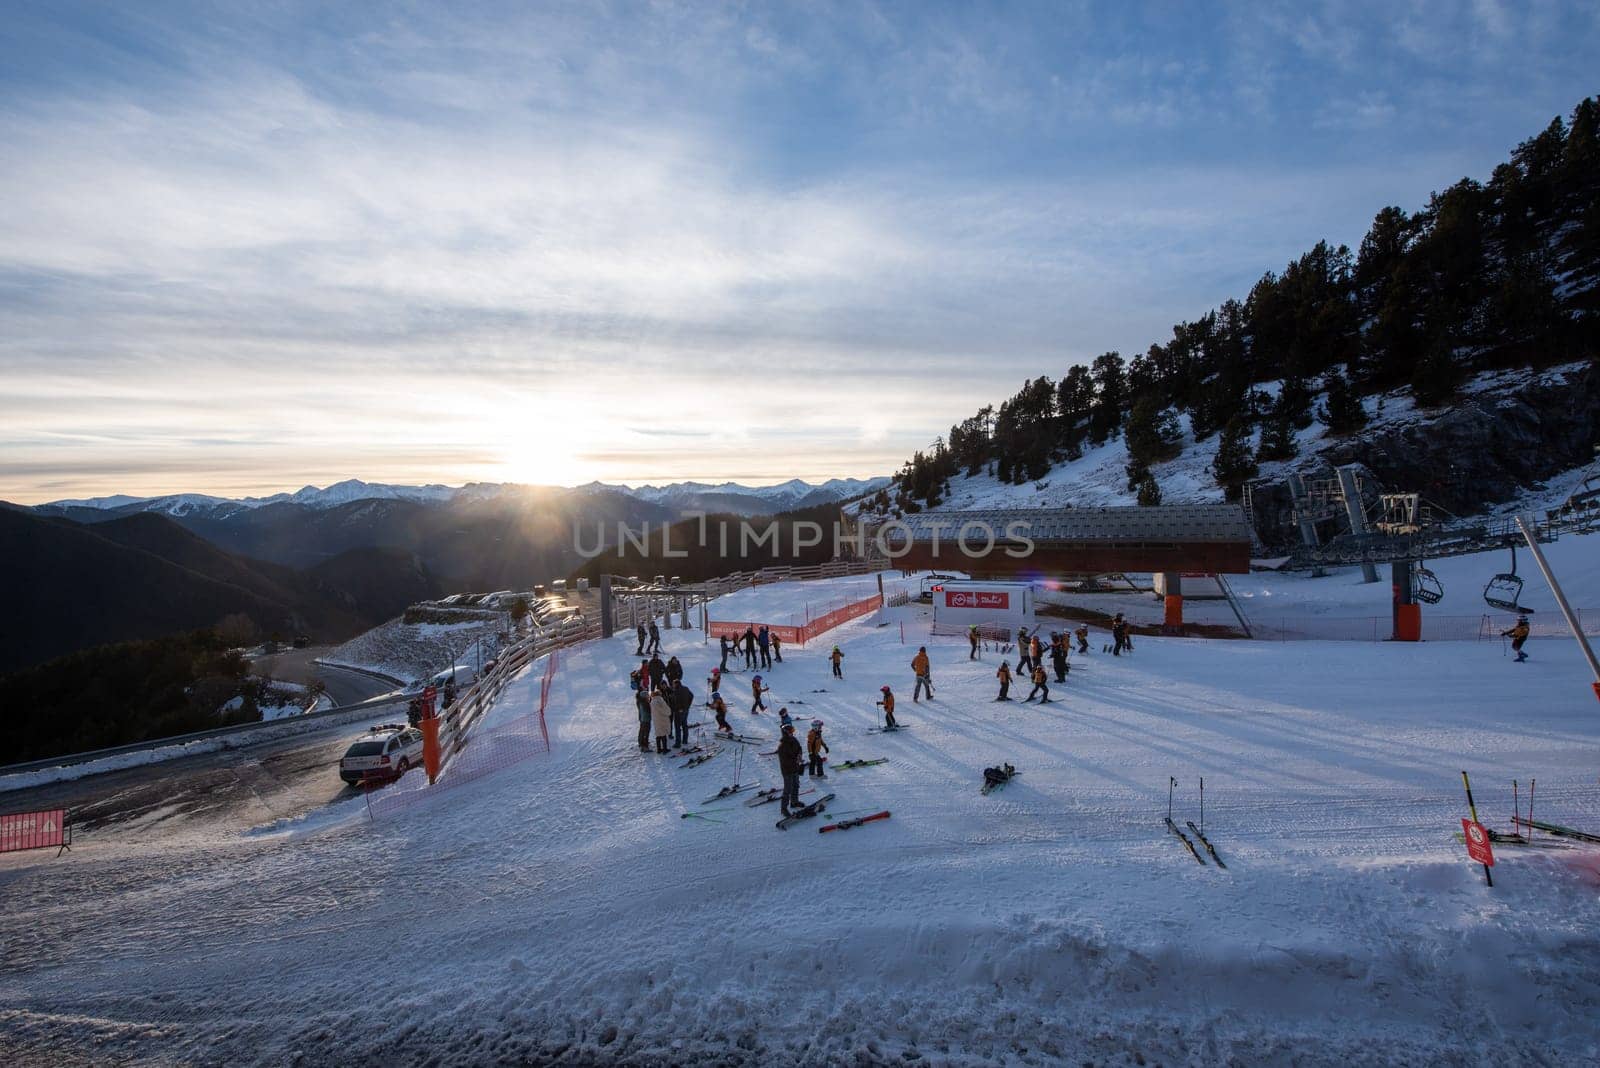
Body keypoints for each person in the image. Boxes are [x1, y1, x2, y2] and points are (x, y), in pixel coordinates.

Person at [777, 723, 804, 815]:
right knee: (787, 789)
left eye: (793, 731)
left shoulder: (794, 740)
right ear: (786, 733)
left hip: (795, 768)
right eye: (791, 732)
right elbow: (785, 761)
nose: (792, 733)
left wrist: (800, 754)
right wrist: (796, 760)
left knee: (796, 785)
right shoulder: (782, 746)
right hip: (787, 771)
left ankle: (794, 802)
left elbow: (799, 748)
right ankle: (783, 809)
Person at [671, 680, 694, 747]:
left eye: (673, 684)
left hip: (678, 711)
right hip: (685, 710)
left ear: (676, 684)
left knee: (677, 727)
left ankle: (678, 743)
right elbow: (691, 696)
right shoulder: (686, 688)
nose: (673, 685)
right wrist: (688, 705)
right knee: (684, 725)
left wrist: (676, 708)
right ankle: (685, 740)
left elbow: (675, 702)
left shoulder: (676, 691)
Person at [650, 689, 672, 753]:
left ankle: (659, 749)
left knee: (658, 734)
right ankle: (665, 749)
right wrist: (669, 712)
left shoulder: (652, 701)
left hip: (656, 719)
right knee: (663, 734)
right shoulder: (660, 700)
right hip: (662, 719)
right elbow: (665, 710)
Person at [635, 684, 652, 752]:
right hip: (646, 719)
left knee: (642, 731)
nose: (648, 696)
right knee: (646, 732)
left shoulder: (640, 701)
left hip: (642, 718)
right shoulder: (645, 703)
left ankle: (641, 743)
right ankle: (645, 747)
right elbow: (649, 711)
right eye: (647, 695)